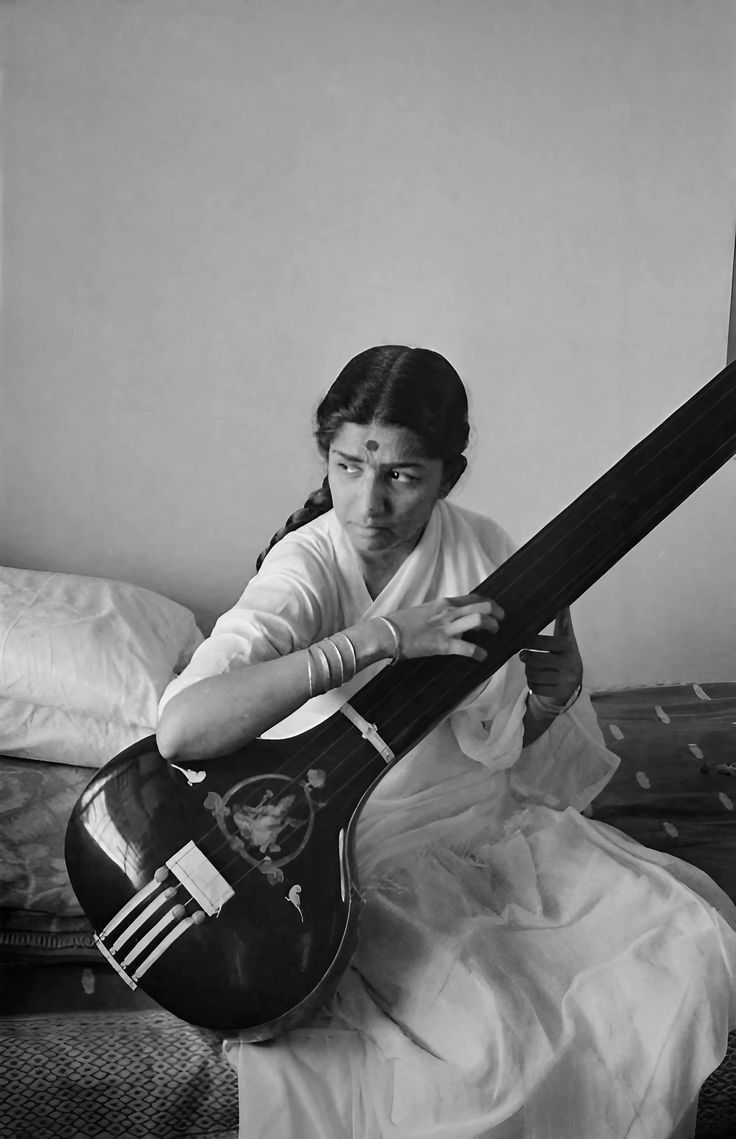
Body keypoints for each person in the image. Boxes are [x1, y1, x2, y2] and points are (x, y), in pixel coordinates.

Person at [157, 345, 736, 1139]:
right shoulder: (308, 565)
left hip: (485, 824)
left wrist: (553, 695)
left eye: (403, 474)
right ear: (326, 453)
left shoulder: (488, 550)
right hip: (359, 844)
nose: (368, 501)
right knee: (490, 1042)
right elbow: (182, 727)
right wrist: (378, 637)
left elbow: (511, 752)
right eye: (348, 464)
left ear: (448, 475)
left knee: (687, 950)